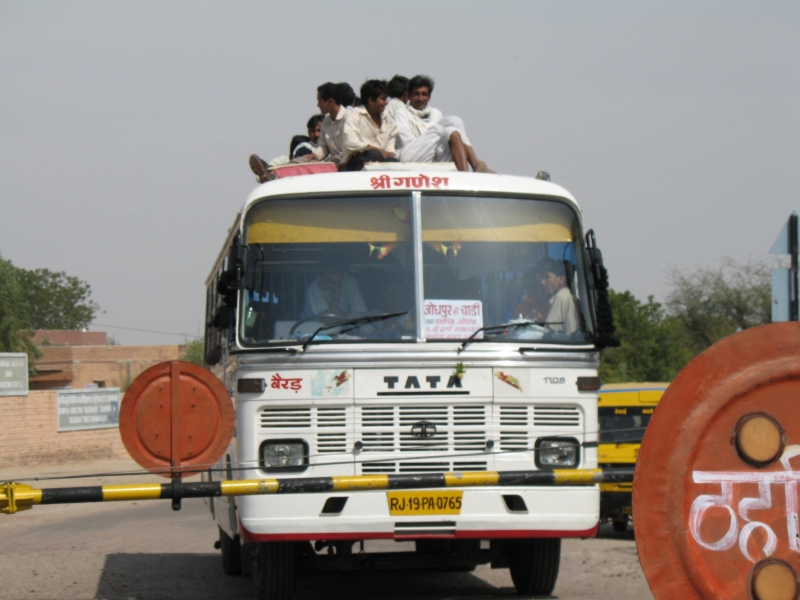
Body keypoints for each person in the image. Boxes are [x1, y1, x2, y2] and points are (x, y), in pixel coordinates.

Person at [393, 75, 492, 173]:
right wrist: (434, 136)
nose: (420, 98)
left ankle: (471, 169)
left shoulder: (436, 114)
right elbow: (407, 143)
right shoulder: (401, 113)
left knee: (454, 120)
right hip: (410, 157)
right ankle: (470, 170)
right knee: (443, 130)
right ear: (409, 96)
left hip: (433, 157)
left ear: (429, 97)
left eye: (424, 94)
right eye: (416, 94)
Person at [341, 79, 399, 171]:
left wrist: (388, 153)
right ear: (371, 100)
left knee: (394, 162)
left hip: (382, 162)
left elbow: (391, 145)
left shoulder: (388, 118)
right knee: (374, 154)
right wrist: (374, 149)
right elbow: (350, 141)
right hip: (358, 161)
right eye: (383, 99)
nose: (386, 102)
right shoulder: (355, 115)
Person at [248, 114, 324, 182]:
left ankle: (273, 174)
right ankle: (271, 174)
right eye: (313, 131)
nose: (316, 134)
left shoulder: (331, 147)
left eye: (319, 131)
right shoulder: (305, 147)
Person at [300, 258, 367, 319]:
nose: (327, 276)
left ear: (344, 274)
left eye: (333, 273)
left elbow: (361, 314)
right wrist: (336, 291)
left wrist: (339, 313)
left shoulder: (349, 282)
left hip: (342, 327)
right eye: (325, 271)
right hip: (313, 328)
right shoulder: (314, 288)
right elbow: (327, 319)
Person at [307, 82, 348, 167]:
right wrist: (314, 155)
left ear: (330, 101)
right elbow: (323, 147)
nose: (318, 105)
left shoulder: (349, 118)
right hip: (333, 164)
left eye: (320, 101)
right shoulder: (326, 121)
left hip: (349, 164)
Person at [538, 258, 579, 335]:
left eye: (547, 277)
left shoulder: (561, 296)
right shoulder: (568, 295)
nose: (543, 281)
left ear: (561, 280)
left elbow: (549, 332)